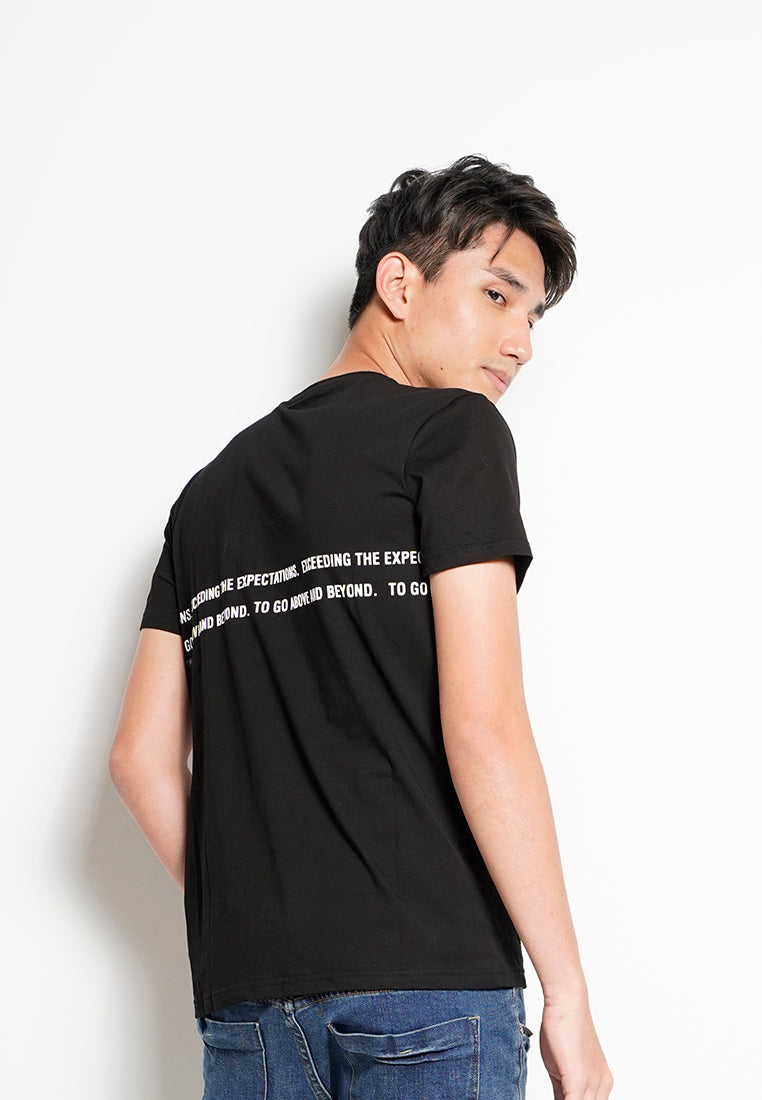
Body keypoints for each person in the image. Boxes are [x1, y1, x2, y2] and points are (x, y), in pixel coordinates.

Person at [109, 154, 614, 1100]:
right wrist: (569, 991)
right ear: (399, 283)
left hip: (249, 1004)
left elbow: (140, 758)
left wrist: (252, 917)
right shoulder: (453, 435)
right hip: (429, 988)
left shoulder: (207, 496)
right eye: (498, 295)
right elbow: (484, 726)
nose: (520, 344)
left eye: (533, 317)